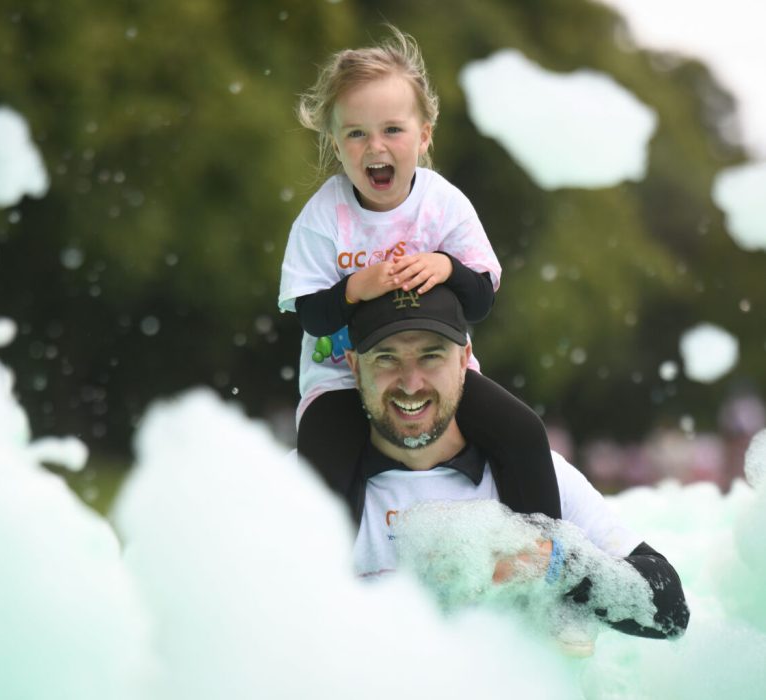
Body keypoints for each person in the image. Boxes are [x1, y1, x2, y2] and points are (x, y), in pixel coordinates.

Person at [278, 26, 559, 519]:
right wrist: (353, 289)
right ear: (336, 145)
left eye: (392, 129)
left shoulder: (443, 205)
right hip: (340, 380)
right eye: (356, 133)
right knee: (323, 461)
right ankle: (328, 579)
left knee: (524, 432)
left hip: (438, 372)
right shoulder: (324, 218)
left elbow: (480, 301)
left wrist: (447, 266)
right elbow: (311, 317)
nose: (375, 147)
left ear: (424, 134)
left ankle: (545, 554)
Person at [338, 285, 689, 641]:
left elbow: (670, 610)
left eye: (431, 356)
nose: (411, 383)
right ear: (354, 365)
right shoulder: (307, 486)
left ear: (464, 360)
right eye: (386, 357)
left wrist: (550, 563)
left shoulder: (533, 471)